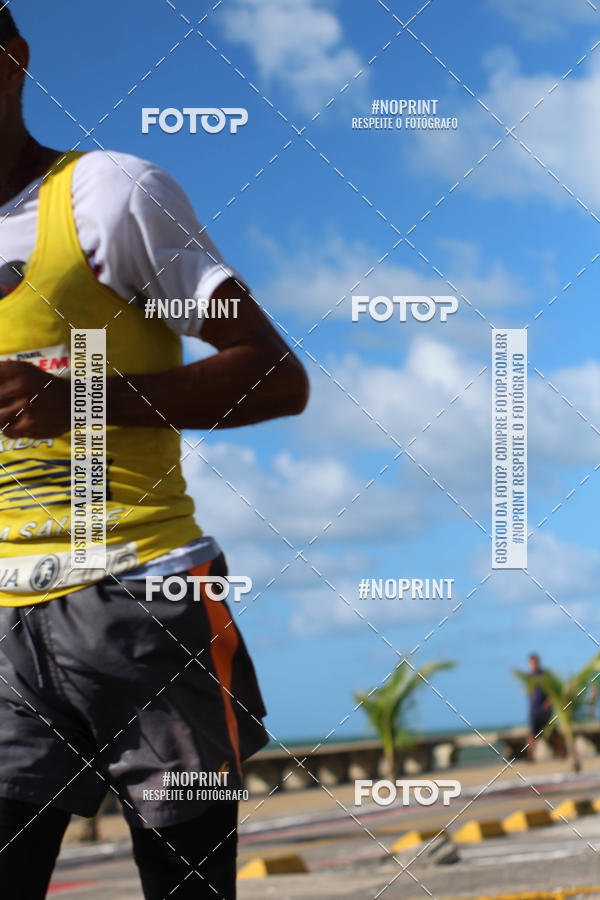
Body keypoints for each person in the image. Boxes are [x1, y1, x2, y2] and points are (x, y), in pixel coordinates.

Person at [0, 9, 309, 899]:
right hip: (6, 623)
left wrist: (80, 398)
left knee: (187, 886)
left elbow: (273, 376)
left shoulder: (108, 194)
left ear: (12, 60)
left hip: (143, 595)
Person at [526, 653, 564, 762]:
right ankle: (530, 757)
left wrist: (549, 701)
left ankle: (561, 753)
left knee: (554, 732)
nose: (533, 665)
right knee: (532, 734)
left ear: (538, 662)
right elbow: (529, 692)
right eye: (531, 663)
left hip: (546, 710)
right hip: (534, 710)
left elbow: (554, 689)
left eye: (534, 663)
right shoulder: (529, 677)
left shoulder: (545, 675)